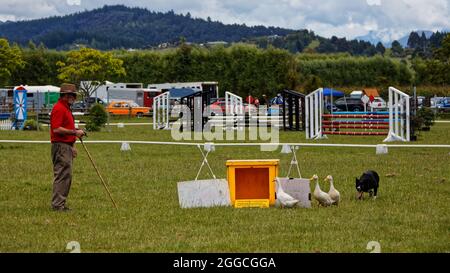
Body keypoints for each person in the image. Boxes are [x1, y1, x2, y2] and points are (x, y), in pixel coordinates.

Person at [50, 83, 85, 211]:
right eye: (70, 95)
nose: (72, 97)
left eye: (73, 95)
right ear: (63, 95)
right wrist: (75, 132)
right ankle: (58, 205)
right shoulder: (59, 108)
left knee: (66, 175)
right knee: (62, 175)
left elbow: (67, 128)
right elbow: (56, 129)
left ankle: (60, 203)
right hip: (61, 147)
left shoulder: (66, 108)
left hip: (67, 146)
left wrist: (73, 145)